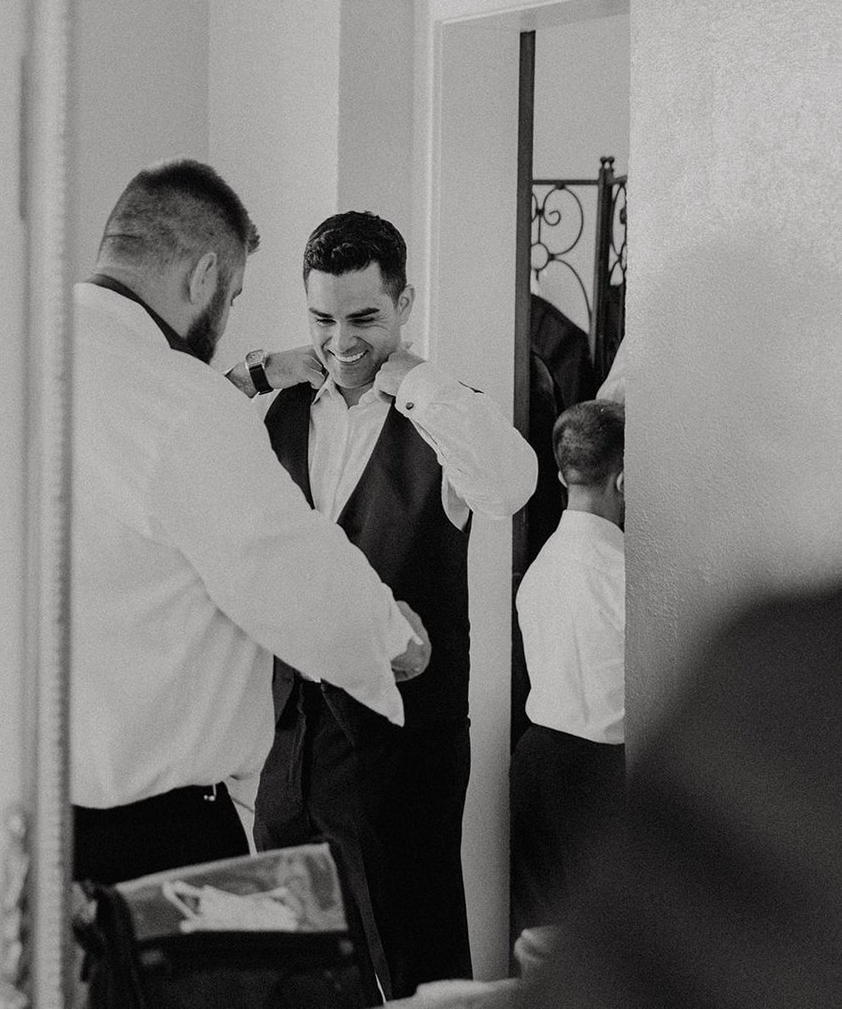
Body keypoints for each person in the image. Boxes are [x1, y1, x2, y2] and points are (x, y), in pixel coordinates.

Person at [70, 162, 431, 888]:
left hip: (32, 821)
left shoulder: (22, 360)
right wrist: (395, 637)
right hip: (153, 838)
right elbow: (286, 570)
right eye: (233, 297)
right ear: (204, 275)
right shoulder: (181, 402)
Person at [227, 210, 538, 1000]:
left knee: (412, 970)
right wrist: (258, 372)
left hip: (402, 754)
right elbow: (180, 442)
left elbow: (511, 485)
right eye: (323, 320)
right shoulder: (281, 411)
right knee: (281, 967)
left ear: (405, 303)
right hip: (287, 743)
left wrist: (421, 384)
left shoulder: (444, 417)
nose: (341, 343)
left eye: (365, 317)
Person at [514, 580, 842, 1009]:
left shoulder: (541, 573)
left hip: (538, 754)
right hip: (590, 761)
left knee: (552, 912)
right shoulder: (791, 661)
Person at [511, 400, 626, 937]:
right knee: (605, 949)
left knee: (540, 941)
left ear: (560, 474)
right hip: (600, 775)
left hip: (537, 765)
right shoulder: (627, 574)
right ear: (624, 482)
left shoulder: (540, 565)